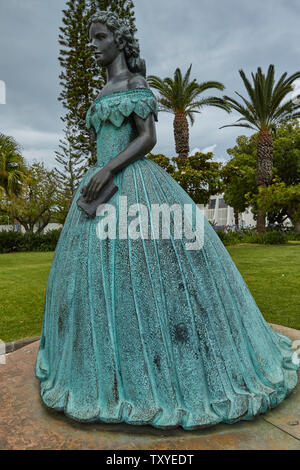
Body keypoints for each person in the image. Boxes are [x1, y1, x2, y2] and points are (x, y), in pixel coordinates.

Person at [35, 9, 299, 430]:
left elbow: (148, 138)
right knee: (95, 281)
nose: (93, 45)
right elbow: (103, 142)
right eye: (90, 38)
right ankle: (106, 371)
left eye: (100, 36)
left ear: (118, 40)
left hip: (132, 184)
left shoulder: (135, 85)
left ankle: (170, 371)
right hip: (98, 193)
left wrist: (108, 170)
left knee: (153, 279)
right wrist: (97, 174)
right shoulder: (102, 91)